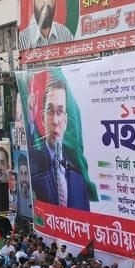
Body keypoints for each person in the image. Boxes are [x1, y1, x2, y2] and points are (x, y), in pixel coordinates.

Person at [29, 76, 91, 211]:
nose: (55, 121)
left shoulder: (79, 179)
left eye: (60, 112)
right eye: (50, 111)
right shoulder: (32, 165)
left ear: (66, 121)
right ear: (42, 118)